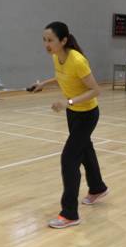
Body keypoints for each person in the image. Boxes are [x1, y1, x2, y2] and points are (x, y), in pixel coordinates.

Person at [30, 21, 108, 229]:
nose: (46, 44)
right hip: (73, 114)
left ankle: (70, 213)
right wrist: (43, 84)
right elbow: (61, 76)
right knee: (85, 150)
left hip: (87, 114)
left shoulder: (78, 60)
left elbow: (96, 90)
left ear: (63, 40)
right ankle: (98, 188)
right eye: (44, 40)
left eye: (50, 40)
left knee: (69, 158)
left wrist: (68, 102)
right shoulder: (57, 56)